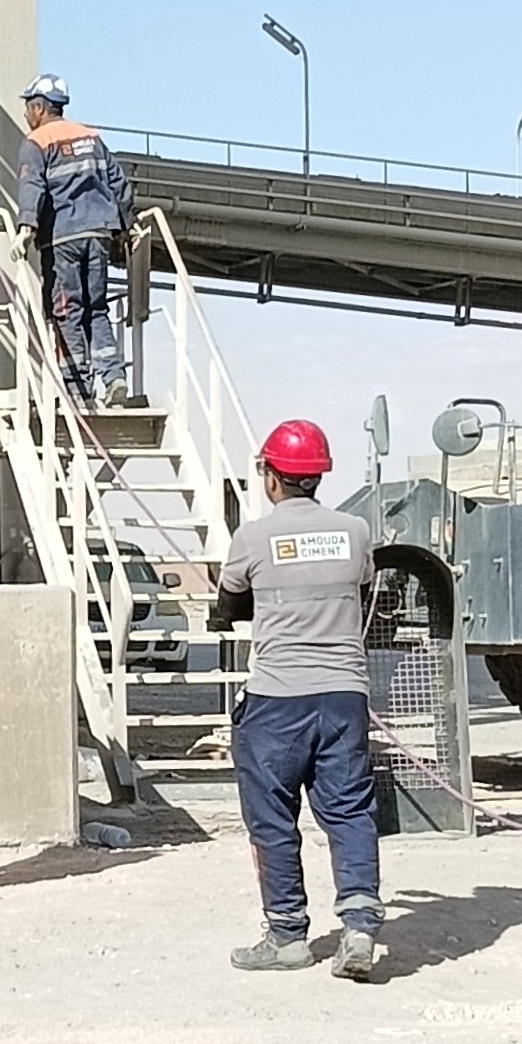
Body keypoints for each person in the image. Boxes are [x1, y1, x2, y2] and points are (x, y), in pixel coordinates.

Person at [211, 418, 383, 982]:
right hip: (343, 697)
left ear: (271, 476)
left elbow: (229, 607)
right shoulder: (355, 531)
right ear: (319, 475)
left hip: (277, 700)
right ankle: (359, 927)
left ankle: (287, 937)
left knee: (272, 817)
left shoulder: (252, 538)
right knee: (349, 810)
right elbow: (362, 589)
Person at [11, 73, 135, 407]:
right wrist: (128, 224)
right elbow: (119, 183)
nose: (25, 113)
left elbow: (32, 186)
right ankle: (114, 378)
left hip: (62, 238)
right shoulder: (90, 136)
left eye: (28, 106)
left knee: (67, 311)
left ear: (40, 108)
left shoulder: (37, 142)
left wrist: (26, 227)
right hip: (98, 233)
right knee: (97, 307)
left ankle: (78, 387)